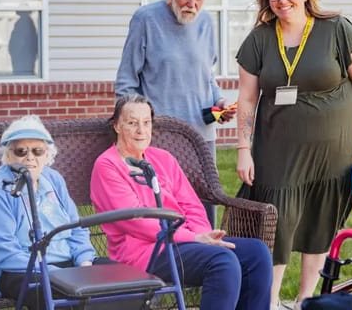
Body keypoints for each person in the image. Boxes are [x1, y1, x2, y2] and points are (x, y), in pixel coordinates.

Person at [235, 0, 352, 310]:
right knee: (276, 225)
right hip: (277, 152)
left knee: (319, 221)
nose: (283, 0)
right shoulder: (260, 40)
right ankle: (266, 302)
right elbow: (247, 100)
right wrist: (242, 148)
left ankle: (306, 301)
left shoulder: (337, 29)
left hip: (336, 151)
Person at [90, 93, 272, 310]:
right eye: (132, 123)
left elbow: (191, 204)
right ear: (117, 126)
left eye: (146, 122)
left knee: (256, 254)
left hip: (183, 242)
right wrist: (194, 237)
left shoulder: (163, 158)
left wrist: (202, 235)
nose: (141, 130)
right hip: (144, 252)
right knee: (222, 262)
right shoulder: (107, 166)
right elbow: (137, 221)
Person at [114, 0, 235, 225]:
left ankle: (204, 261)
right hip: (160, 136)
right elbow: (126, 83)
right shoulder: (145, 19)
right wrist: (139, 129)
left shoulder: (206, 22)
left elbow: (207, 76)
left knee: (203, 213)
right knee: (161, 212)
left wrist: (219, 102)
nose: (192, 3)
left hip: (201, 138)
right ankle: (164, 264)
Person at [0, 115, 102, 309]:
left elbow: (76, 228)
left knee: (120, 282)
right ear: (8, 156)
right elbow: (4, 251)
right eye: (21, 151)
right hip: (17, 268)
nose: (30, 157)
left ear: (48, 155)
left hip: (66, 264)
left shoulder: (54, 180)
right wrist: (55, 273)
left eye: (37, 151)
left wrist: (85, 261)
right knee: (57, 294)